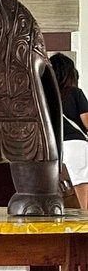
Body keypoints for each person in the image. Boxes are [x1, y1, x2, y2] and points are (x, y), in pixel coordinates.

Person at [52, 53, 88, 210]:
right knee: (80, 184)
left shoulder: (45, 96)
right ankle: (83, 219)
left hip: (54, 147)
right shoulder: (75, 93)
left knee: (61, 188)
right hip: (76, 146)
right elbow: (86, 121)